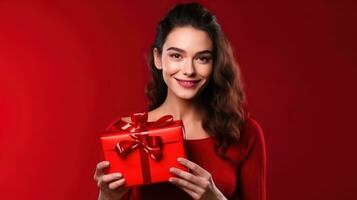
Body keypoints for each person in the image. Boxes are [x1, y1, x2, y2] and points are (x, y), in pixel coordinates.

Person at [94, 2, 266, 200]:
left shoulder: (245, 133)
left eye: (202, 58)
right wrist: (107, 196)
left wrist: (215, 199)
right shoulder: (125, 135)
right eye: (176, 56)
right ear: (158, 58)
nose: (189, 70)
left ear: (214, 63)